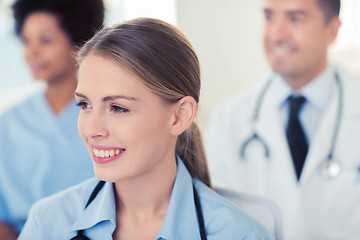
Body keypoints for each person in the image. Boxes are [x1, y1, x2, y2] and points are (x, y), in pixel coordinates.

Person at [18, 18, 273, 240]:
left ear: (179, 116)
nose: (92, 129)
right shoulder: (48, 223)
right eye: (84, 105)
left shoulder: (239, 234)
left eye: (117, 108)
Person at [205, 0, 360, 239]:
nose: (276, 34)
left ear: (332, 31)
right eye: (269, 17)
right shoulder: (229, 118)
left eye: (295, 18)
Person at [0, 0, 104, 238]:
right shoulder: (7, 124)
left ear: (79, 44)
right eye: (26, 41)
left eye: (45, 40)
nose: (31, 52)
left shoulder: (107, 116)